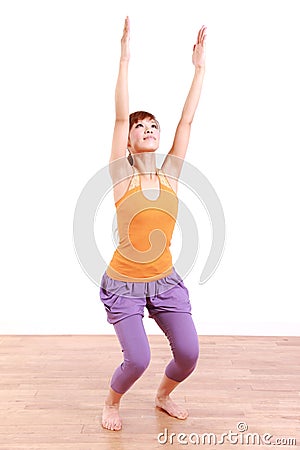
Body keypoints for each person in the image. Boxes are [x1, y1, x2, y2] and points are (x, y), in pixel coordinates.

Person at [99, 16, 206, 431]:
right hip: (124, 280)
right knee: (138, 358)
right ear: (129, 140)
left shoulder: (171, 175)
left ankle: (163, 396)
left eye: (152, 125)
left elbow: (187, 122)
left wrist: (199, 71)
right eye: (139, 127)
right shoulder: (120, 176)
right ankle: (111, 403)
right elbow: (118, 116)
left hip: (164, 278)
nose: (147, 129)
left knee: (189, 353)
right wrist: (124, 59)